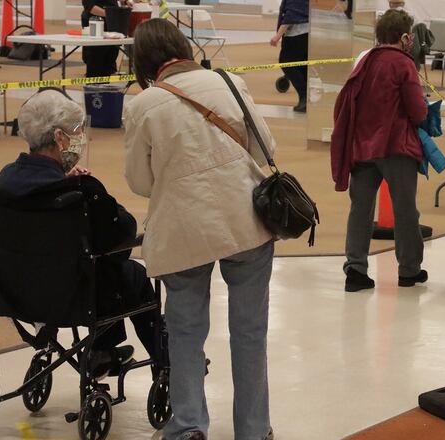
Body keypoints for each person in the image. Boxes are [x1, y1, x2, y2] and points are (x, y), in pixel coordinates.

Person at [125, 19, 276, 440]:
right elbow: (266, 148)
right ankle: (254, 430)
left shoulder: (143, 105)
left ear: (143, 61)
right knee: (250, 332)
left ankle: (189, 426)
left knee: (186, 333)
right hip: (246, 221)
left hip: (182, 229)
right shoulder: (229, 83)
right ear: (183, 46)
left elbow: (140, 181)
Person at [0, 89, 159, 379]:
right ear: (60, 137)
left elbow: (41, 193)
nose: (83, 138)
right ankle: (158, 359)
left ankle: (104, 349)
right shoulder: (82, 192)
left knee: (102, 269)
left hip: (16, 287)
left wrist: (60, 179)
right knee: (131, 274)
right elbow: (121, 236)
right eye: (77, 131)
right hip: (74, 294)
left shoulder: (7, 179)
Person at [331, 9, 428, 293]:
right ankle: (409, 270)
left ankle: (355, 269)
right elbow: (418, 111)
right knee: (405, 210)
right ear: (405, 37)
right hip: (396, 148)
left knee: (360, 210)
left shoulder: (365, 60)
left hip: (362, 148)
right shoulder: (403, 64)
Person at [271, 0, 309, 113]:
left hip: (296, 33)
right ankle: (306, 99)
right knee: (301, 66)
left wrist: (277, 36)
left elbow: (291, 15)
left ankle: (304, 96)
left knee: (286, 62)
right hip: (306, 32)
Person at [81, 0, 133, 77]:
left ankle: (106, 80)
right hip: (95, 23)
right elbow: (90, 7)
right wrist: (110, 14)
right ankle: (93, 81)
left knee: (111, 55)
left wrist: (125, 2)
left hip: (112, 23)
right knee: (96, 57)